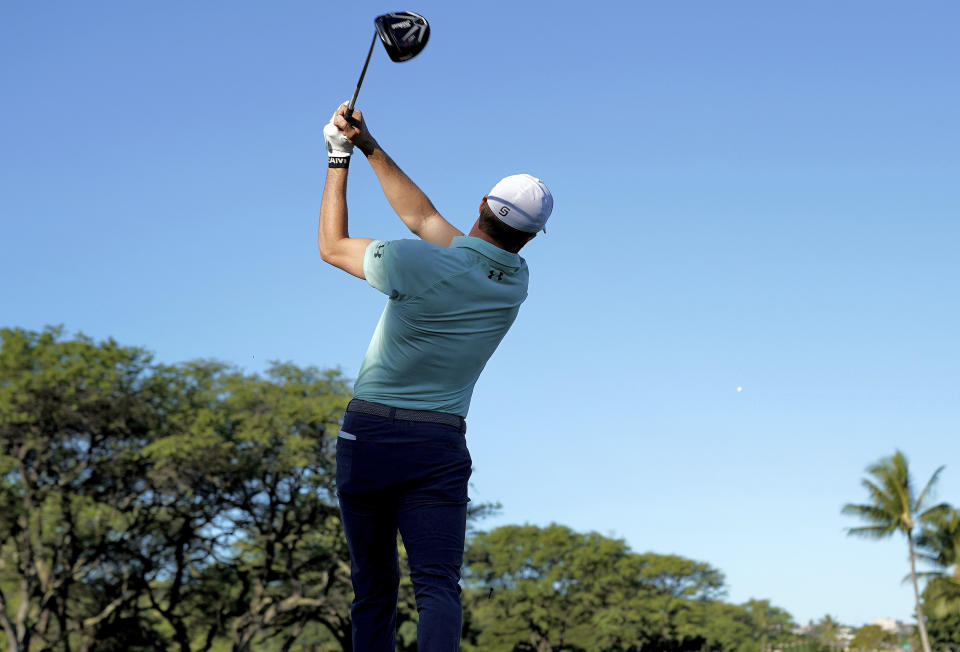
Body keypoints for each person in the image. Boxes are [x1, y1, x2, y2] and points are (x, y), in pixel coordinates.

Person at [317, 102, 552, 651]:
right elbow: (424, 219)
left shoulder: (417, 263)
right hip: (438, 444)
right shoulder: (514, 280)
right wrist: (370, 145)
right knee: (437, 587)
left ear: (481, 206)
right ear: (531, 238)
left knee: (373, 586)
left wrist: (338, 157)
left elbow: (331, 247)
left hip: (369, 434)